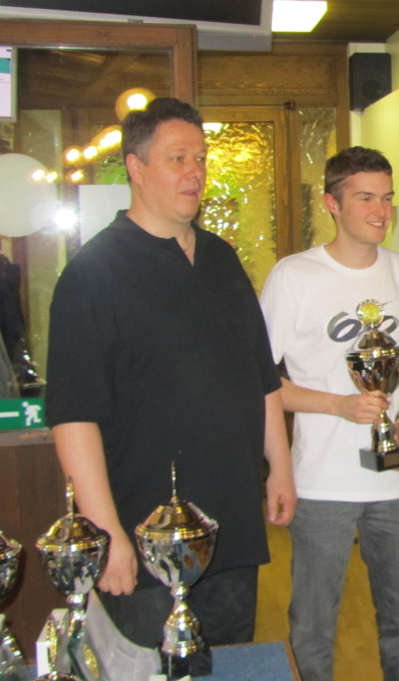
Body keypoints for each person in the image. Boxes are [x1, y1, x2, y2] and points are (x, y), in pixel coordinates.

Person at [45, 97, 296, 648]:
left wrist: (279, 466)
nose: (195, 172)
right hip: (143, 536)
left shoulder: (222, 260)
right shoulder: (92, 274)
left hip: (230, 526)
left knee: (228, 665)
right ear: (136, 168)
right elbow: (73, 416)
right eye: (178, 158)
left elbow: (260, 377)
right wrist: (107, 532)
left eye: (200, 158)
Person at [259, 147, 399, 681]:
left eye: (387, 198)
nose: (380, 211)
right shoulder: (295, 276)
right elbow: (260, 383)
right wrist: (336, 404)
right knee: (313, 626)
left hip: (395, 483)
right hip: (321, 484)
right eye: (365, 198)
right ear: (332, 203)